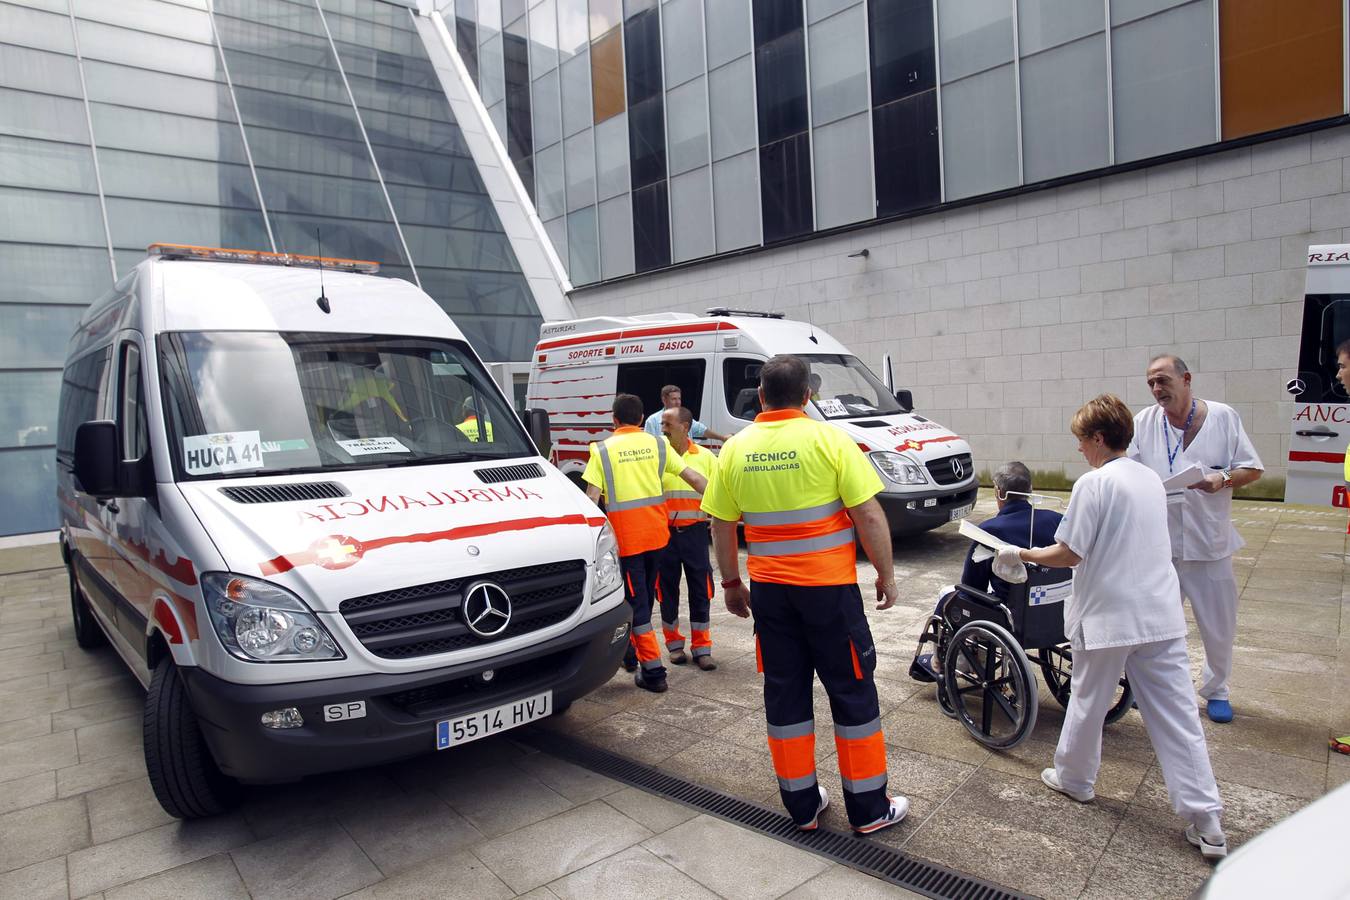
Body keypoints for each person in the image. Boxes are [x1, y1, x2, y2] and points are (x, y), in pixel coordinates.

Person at [1014, 394, 1228, 861]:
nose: (1078, 449)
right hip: (1159, 614)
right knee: (1178, 719)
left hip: (1108, 616)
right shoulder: (1150, 478)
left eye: (1079, 439)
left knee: (1088, 702)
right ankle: (1206, 821)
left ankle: (1074, 779)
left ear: (1096, 438)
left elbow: (1069, 553)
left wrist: (1022, 555)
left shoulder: (1095, 484)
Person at [702, 354, 909, 835]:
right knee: (852, 691)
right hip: (829, 593)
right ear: (807, 395)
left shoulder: (735, 449)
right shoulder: (829, 440)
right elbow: (870, 516)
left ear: (759, 396)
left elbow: (721, 524)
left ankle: (801, 806)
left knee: (785, 693)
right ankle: (868, 809)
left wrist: (732, 584)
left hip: (772, 596)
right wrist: (887, 574)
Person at [1127, 355, 1263, 724]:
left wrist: (1224, 479)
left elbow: (1252, 468)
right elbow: (1131, 473)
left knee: (1218, 627)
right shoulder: (1144, 422)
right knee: (1154, 625)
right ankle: (1150, 688)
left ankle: (1217, 690)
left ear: (1186, 379)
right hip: (1162, 546)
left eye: (1163, 381)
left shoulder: (1222, 417)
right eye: (1151, 383)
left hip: (1210, 545)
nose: (1157, 389)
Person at [584, 394, 708, 693]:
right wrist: (728, 509)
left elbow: (591, 499)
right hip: (658, 538)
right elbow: (694, 478)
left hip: (627, 542)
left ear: (614, 420)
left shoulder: (601, 450)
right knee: (644, 600)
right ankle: (631, 653)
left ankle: (653, 672)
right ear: (642, 419)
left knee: (636, 604)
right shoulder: (658, 444)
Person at [911, 461, 1063, 678]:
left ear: (998, 492)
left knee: (949, 596)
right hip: (1054, 606)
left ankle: (950, 661)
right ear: (1030, 489)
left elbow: (971, 584)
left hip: (1011, 613)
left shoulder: (992, 529)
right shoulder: (1055, 520)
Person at [657, 407, 719, 670]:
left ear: (685, 426)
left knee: (700, 589)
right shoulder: (658, 458)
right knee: (667, 591)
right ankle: (674, 646)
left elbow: (719, 494)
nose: (662, 428)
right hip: (665, 535)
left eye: (667, 423)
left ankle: (702, 647)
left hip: (694, 533)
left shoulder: (705, 457)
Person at [643, 385, 728, 443]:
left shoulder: (684, 417)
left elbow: (702, 430)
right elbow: (649, 445)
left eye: (679, 399)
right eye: (674, 399)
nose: (678, 402)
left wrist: (722, 438)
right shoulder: (652, 421)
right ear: (664, 400)